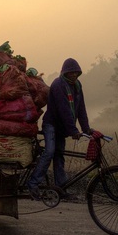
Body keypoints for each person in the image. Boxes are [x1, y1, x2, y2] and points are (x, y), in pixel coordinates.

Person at [27, 58, 92, 199]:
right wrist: (73, 130)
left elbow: (81, 109)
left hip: (62, 127)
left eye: (76, 73)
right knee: (49, 152)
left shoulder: (77, 86)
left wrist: (87, 129)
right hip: (51, 124)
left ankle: (61, 188)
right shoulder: (58, 85)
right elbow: (64, 110)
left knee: (59, 155)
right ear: (65, 73)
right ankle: (33, 183)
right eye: (71, 72)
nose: (74, 75)